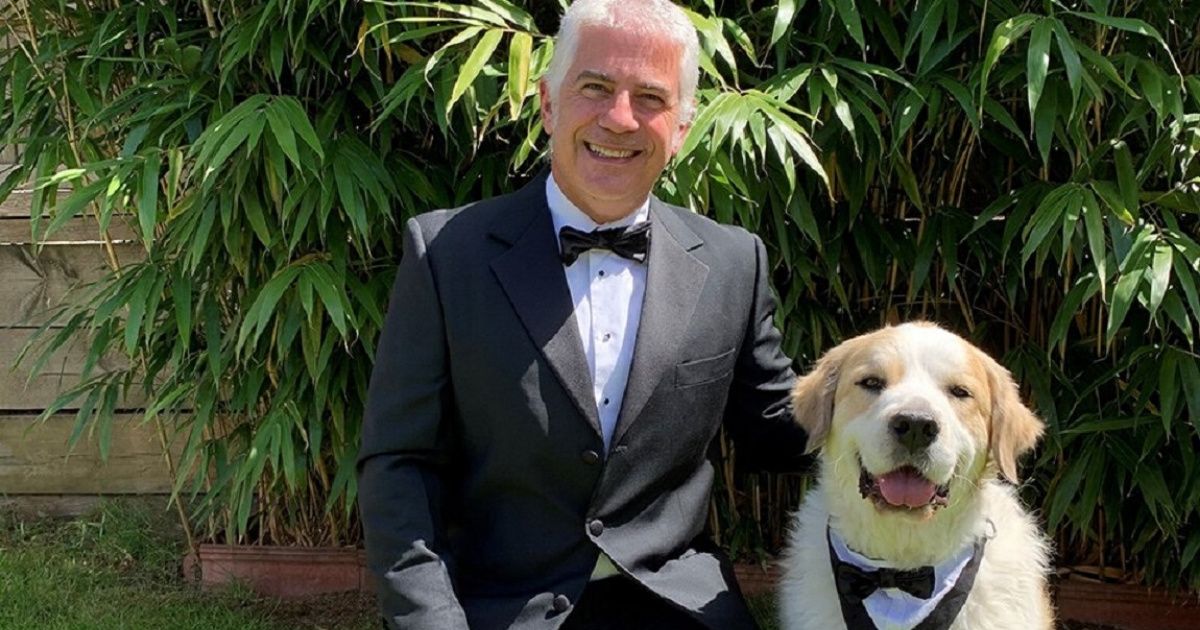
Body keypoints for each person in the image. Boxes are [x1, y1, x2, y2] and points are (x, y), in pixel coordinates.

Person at [357, 0, 808, 627]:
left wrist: (920, 407)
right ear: (547, 103)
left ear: (681, 128)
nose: (620, 118)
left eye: (650, 98)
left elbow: (787, 430)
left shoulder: (736, 263)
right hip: (500, 608)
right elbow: (398, 465)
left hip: (677, 605)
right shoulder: (445, 256)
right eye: (595, 87)